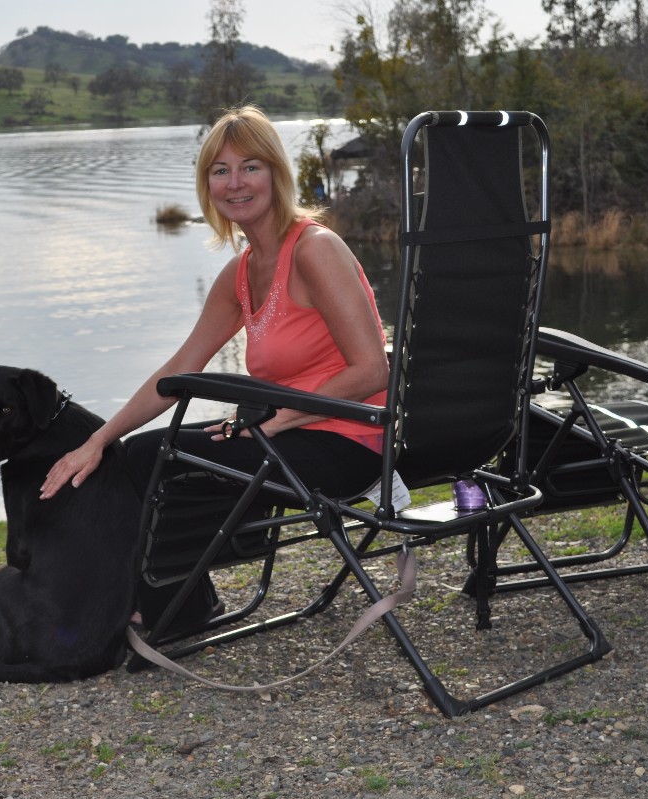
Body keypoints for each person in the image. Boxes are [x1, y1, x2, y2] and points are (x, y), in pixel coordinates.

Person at [40, 105, 390, 629]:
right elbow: (180, 370)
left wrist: (273, 422)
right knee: (137, 453)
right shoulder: (240, 274)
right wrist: (98, 441)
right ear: (208, 186)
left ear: (276, 173)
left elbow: (371, 371)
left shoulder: (316, 249)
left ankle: (165, 610)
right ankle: (177, 601)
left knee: (159, 455)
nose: (235, 183)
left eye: (250, 166)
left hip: (352, 441)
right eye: (220, 171)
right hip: (287, 433)